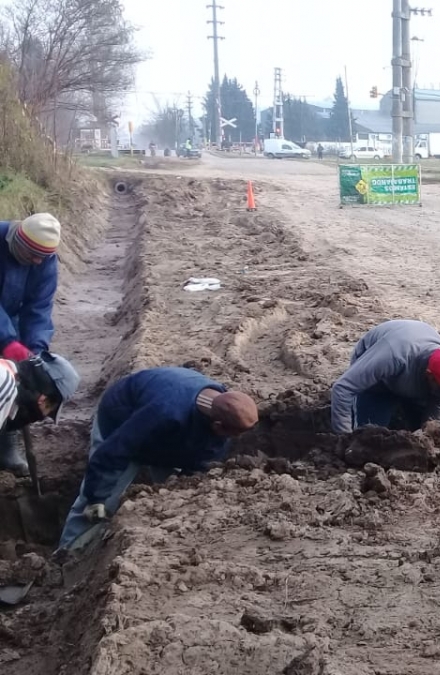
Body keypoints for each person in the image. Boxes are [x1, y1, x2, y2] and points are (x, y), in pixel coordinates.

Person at [56, 367, 259, 551]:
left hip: (166, 435)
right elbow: (115, 450)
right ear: (217, 425)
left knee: (175, 496)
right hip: (120, 420)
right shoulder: (164, 410)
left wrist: (189, 481)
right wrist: (96, 498)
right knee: (100, 504)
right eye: (232, 434)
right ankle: (67, 553)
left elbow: (205, 458)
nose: (234, 440)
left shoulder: (223, 408)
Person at [330, 320, 440, 434]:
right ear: (430, 375)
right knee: (369, 438)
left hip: (415, 381)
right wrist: (344, 438)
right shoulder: (392, 356)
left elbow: (436, 418)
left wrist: (433, 441)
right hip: (378, 384)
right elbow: (343, 389)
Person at [0, 213, 62, 474]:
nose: (37, 261)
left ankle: (5, 445)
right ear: (18, 240)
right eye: (32, 255)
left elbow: (38, 308)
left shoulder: (45, 261)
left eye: (43, 257)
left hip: (10, 319)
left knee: (17, 383)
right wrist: (7, 340)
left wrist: (35, 349)